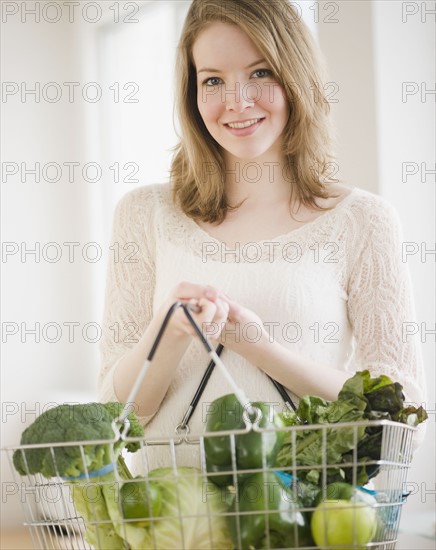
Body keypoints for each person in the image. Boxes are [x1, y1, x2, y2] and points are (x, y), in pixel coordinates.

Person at [98, 0, 426, 461]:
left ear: (295, 78)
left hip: (310, 523)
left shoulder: (363, 221)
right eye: (213, 79)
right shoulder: (144, 214)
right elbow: (116, 420)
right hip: (172, 523)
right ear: (193, 92)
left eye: (260, 72)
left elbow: (402, 419)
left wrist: (260, 347)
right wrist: (167, 336)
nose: (237, 102)